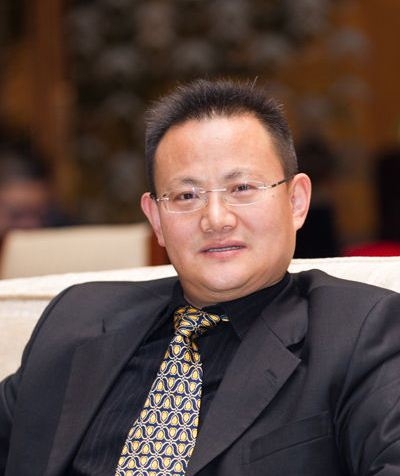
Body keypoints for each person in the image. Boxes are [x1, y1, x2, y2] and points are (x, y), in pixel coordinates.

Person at [1, 79, 400, 476]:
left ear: (296, 201)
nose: (216, 219)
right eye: (186, 196)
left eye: (241, 187)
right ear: (156, 218)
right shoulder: (76, 318)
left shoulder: (361, 333)